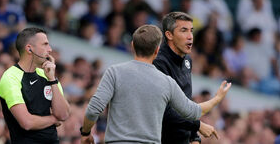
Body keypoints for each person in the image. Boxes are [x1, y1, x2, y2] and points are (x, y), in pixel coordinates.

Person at [80, 24, 231, 144]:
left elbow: (94, 109)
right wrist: (217, 99)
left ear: (132, 45)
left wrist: (86, 133)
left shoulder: (114, 72)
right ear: (157, 50)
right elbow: (193, 111)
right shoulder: (166, 82)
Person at [153, 12, 220, 144]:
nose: (190, 37)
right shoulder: (158, 62)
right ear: (169, 35)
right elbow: (164, 110)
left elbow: (186, 103)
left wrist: (194, 137)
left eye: (191, 31)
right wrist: (198, 126)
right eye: (184, 31)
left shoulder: (187, 60)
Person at [0, 27, 70, 144]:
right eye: (45, 44)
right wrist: (53, 119)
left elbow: (63, 114)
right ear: (29, 49)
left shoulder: (47, 74)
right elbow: (26, 122)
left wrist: (52, 80)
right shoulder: (11, 77)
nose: (50, 49)